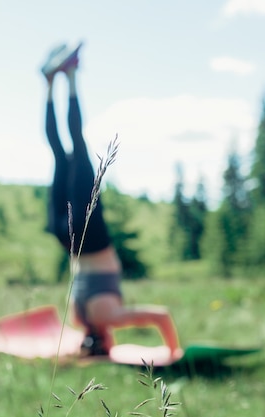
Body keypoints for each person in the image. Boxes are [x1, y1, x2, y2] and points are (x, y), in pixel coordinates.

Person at [40, 42, 183, 360]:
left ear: (106, 339)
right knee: (58, 153)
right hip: (64, 237)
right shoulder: (79, 319)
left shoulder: (107, 317)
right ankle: (50, 84)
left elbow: (160, 315)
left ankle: (72, 75)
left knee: (77, 146)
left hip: (91, 239)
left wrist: (174, 353)